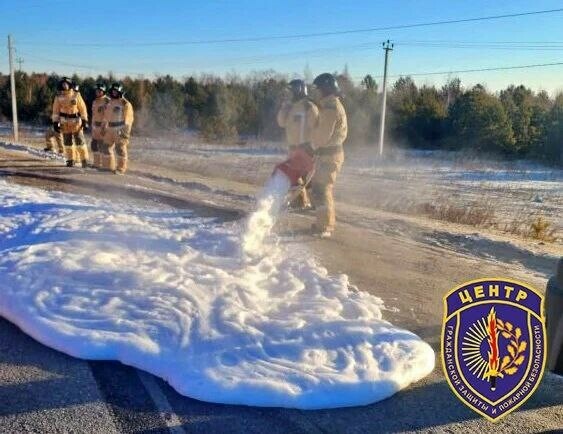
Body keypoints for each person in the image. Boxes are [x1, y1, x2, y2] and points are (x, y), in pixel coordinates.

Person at [310, 73, 348, 238]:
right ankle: (322, 223)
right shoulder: (329, 105)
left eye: (318, 89)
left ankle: (325, 226)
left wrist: (311, 145)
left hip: (330, 155)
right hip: (328, 154)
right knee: (319, 188)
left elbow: (323, 135)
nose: (316, 92)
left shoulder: (331, 108)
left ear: (325, 89)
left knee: (322, 189)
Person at [277, 79, 319, 209]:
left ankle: (312, 203)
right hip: (293, 148)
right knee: (297, 177)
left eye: (291, 91)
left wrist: (314, 146)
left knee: (302, 177)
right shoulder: (290, 107)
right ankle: (304, 203)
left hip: (305, 147)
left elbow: (317, 126)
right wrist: (284, 108)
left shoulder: (308, 106)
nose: (289, 94)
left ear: (299, 90)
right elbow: (281, 123)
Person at [51, 77, 89, 167]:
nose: (65, 85)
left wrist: (84, 120)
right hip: (65, 124)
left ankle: (84, 160)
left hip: (76, 123)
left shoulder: (76, 95)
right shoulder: (58, 97)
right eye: (63, 84)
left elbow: (82, 108)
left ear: (69, 85)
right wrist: (55, 122)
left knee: (80, 142)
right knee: (67, 143)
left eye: (66, 84)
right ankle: (70, 160)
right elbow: (55, 111)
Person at [99, 83, 134, 174]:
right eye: (113, 91)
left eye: (116, 91)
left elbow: (129, 119)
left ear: (120, 92)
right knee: (106, 148)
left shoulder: (125, 104)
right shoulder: (109, 103)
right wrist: (103, 127)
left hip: (119, 129)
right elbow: (106, 117)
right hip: (109, 129)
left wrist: (126, 132)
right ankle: (108, 167)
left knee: (120, 149)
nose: (114, 93)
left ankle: (121, 169)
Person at [90, 83, 110, 169]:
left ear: (103, 91)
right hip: (95, 126)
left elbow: (108, 115)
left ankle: (105, 165)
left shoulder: (107, 101)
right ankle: (96, 164)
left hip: (103, 127)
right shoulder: (95, 101)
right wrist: (92, 125)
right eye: (96, 91)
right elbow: (94, 115)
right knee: (94, 145)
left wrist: (105, 126)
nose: (97, 92)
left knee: (103, 146)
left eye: (99, 91)